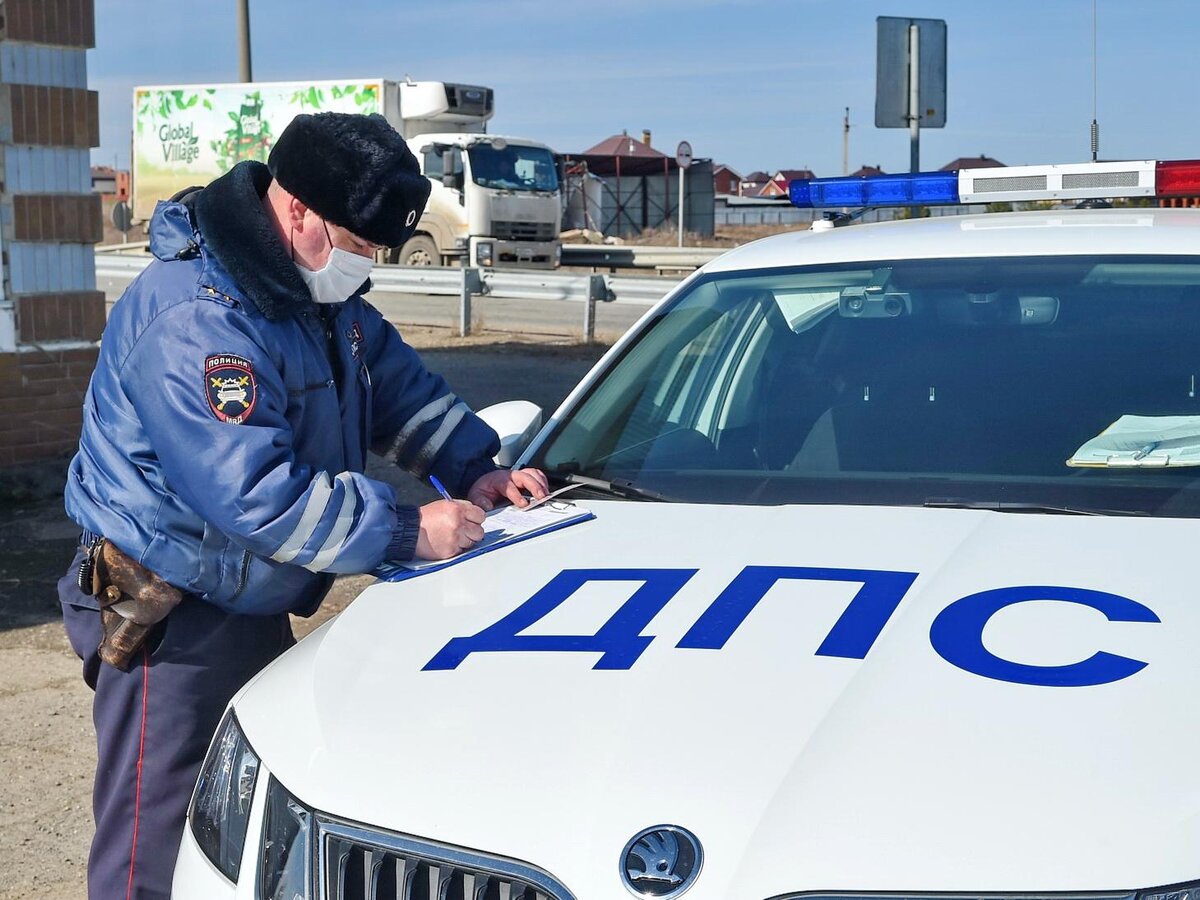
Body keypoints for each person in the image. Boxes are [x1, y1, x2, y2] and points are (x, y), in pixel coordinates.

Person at [58, 111, 548, 899]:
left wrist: (471, 466)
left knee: (242, 811)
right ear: (297, 212)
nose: (368, 267)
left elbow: (393, 385)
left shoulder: (312, 292)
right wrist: (403, 529)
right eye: (361, 246)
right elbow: (256, 496)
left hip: (241, 590)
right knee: (157, 830)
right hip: (166, 608)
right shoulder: (198, 317)